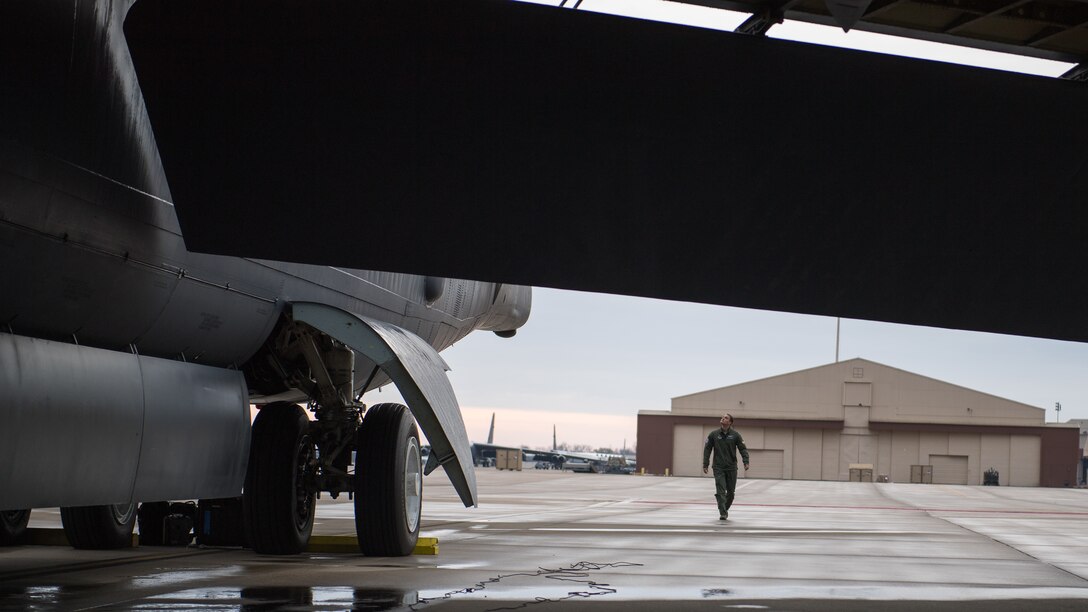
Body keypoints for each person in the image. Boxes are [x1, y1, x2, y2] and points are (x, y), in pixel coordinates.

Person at [702, 413, 749, 520]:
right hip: (718, 467)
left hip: (731, 467)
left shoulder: (736, 435)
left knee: (731, 493)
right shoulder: (713, 434)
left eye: (726, 418)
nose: (723, 418)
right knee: (720, 491)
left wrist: (746, 461)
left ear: (730, 422)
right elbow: (707, 449)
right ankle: (722, 512)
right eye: (722, 417)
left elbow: (743, 449)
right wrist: (706, 464)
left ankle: (725, 508)